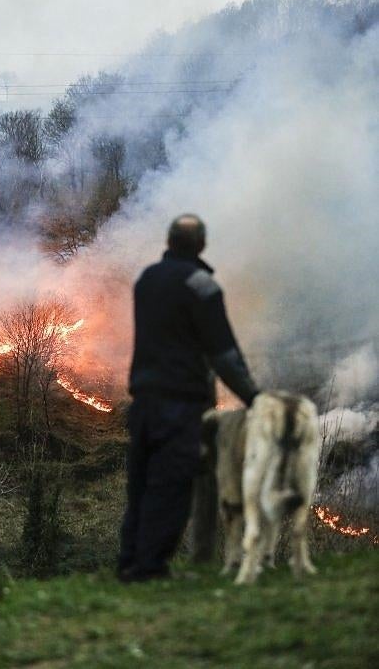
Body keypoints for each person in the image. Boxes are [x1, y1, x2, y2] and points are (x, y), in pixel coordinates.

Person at [118, 214, 259, 582]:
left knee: (142, 483)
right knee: (173, 484)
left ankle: (129, 562)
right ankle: (150, 568)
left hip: (144, 399)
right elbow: (224, 355)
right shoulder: (203, 287)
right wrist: (254, 397)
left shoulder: (146, 280)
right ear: (201, 245)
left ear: (168, 241)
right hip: (181, 403)